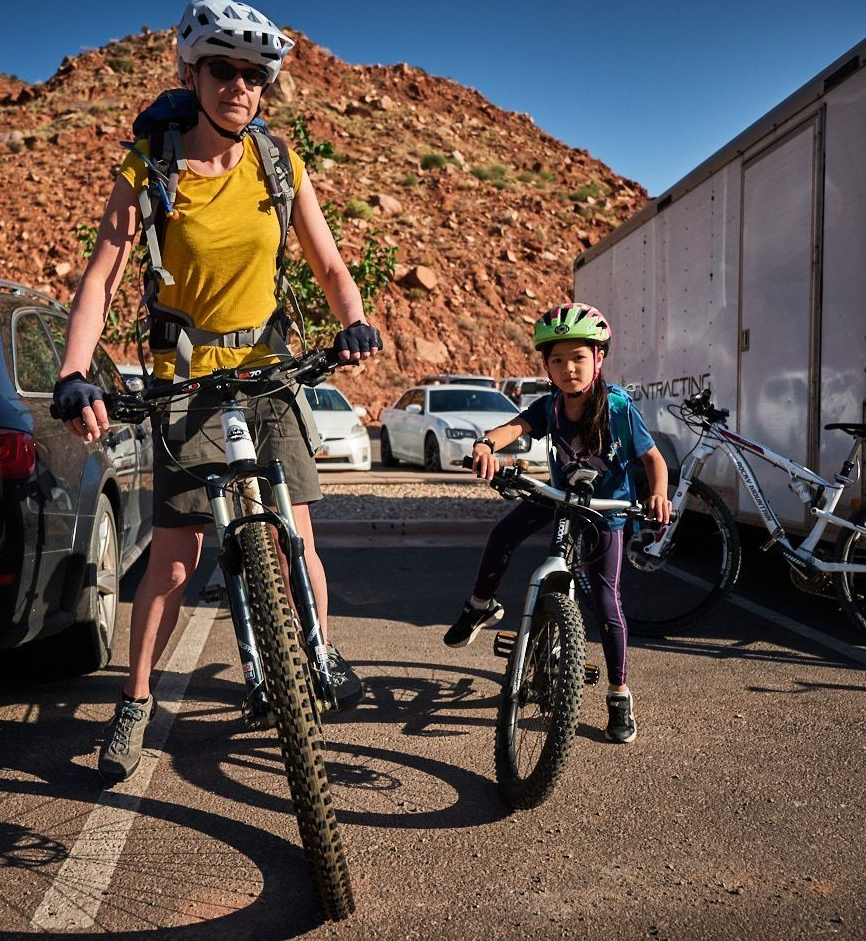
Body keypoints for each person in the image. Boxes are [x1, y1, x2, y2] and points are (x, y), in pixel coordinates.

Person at [51, 0, 382, 782]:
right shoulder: (150, 169)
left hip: (268, 375)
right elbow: (99, 279)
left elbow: (331, 267)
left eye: (254, 74)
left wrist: (356, 319)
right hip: (186, 384)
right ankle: (135, 702)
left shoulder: (277, 162)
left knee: (296, 534)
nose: (240, 85)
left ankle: (320, 654)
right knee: (173, 560)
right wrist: (74, 372)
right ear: (191, 75)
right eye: (223, 69)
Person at [444, 303, 671, 744]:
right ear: (546, 365)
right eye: (558, 360)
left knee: (607, 600)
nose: (569, 368)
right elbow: (514, 427)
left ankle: (619, 692)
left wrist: (658, 492)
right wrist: (486, 444)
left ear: (599, 358)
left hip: (608, 509)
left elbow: (653, 459)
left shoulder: (619, 407)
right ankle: (480, 605)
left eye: (579, 358)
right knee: (502, 534)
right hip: (561, 498)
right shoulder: (550, 407)